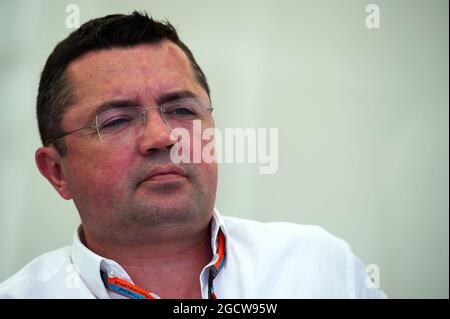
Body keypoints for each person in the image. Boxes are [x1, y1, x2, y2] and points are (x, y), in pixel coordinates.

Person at [0, 11, 385, 299]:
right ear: (56, 172)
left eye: (183, 111)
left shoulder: (320, 268)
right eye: (116, 120)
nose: (163, 136)